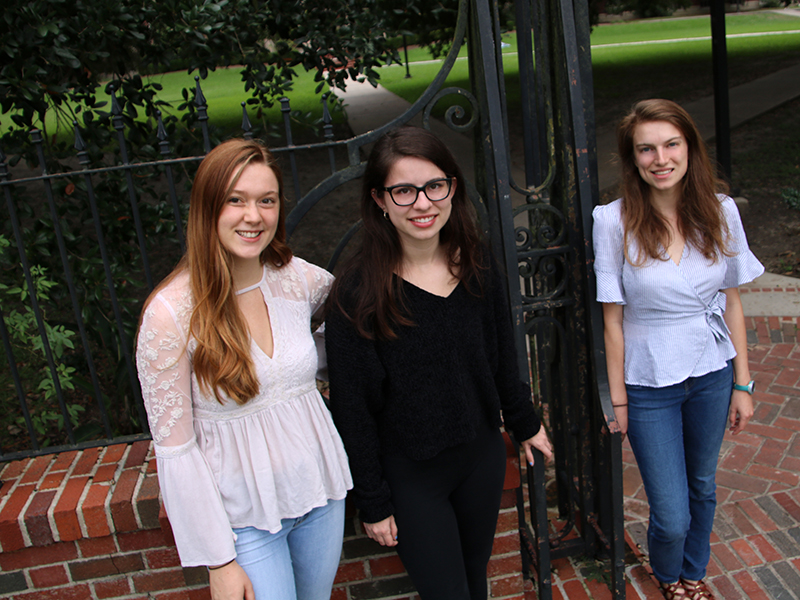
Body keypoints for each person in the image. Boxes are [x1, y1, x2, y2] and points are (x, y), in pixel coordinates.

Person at [324, 126, 553, 600]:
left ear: (452, 188)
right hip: (411, 475)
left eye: (434, 186)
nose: (423, 203)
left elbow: (500, 357)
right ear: (380, 200)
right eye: (404, 191)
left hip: (480, 458)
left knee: (474, 577)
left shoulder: (476, 265)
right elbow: (353, 409)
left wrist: (526, 423)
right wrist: (372, 498)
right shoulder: (357, 292)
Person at [135, 139, 352, 600]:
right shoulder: (171, 314)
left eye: (266, 201)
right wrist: (220, 560)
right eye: (236, 200)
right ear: (207, 208)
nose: (253, 216)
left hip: (321, 493)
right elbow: (176, 450)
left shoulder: (295, 277)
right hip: (245, 524)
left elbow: (351, 324)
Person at [593, 99, 763, 600]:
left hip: (711, 370)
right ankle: (668, 575)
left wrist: (742, 383)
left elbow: (730, 302)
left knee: (703, 486)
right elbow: (612, 319)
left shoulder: (720, 210)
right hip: (648, 383)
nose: (660, 158)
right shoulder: (613, 221)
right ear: (632, 158)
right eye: (646, 149)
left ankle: (692, 575)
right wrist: (618, 400)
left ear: (689, 148)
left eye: (671, 144)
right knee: (670, 512)